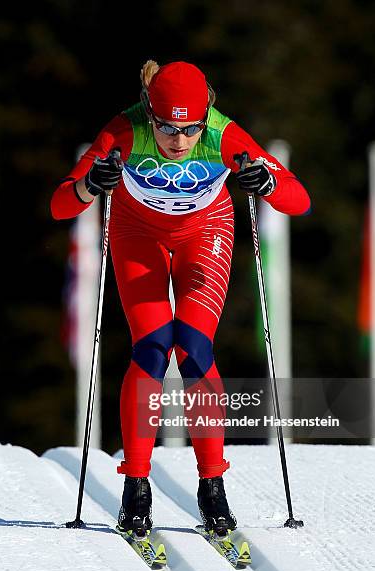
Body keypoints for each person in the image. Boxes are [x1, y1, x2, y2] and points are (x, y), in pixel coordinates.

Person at [51, 60, 310, 538]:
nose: (179, 140)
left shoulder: (225, 135)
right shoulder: (123, 131)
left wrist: (266, 183)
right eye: (168, 127)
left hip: (205, 233)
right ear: (150, 113)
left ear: (204, 117)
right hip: (137, 235)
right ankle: (136, 487)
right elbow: (60, 202)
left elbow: (299, 199)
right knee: (151, 349)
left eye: (190, 128)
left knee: (194, 349)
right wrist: (92, 184)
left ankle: (213, 488)